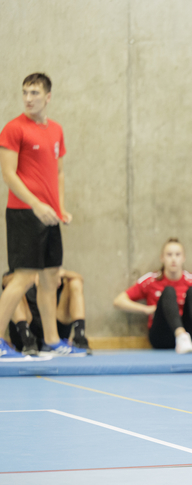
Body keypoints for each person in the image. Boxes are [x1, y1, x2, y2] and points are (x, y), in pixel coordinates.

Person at [0, 73, 86, 361]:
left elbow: (59, 172)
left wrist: (60, 208)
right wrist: (36, 204)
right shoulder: (13, 129)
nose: (28, 98)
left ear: (48, 97)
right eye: (25, 92)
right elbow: (9, 174)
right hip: (24, 214)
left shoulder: (57, 130)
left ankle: (51, 340)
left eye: (35, 93)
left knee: (51, 279)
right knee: (23, 279)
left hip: (50, 217)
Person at [114, 238, 192, 353]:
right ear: (162, 258)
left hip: (190, 336)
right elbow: (119, 301)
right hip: (162, 336)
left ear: (183, 258)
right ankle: (180, 335)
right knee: (168, 291)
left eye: (177, 255)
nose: (173, 259)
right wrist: (145, 309)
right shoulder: (151, 280)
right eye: (169, 255)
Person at [4, 268, 90, 355]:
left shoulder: (52, 269)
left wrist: (61, 274)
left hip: (55, 328)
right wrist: (31, 276)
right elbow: (5, 281)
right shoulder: (24, 267)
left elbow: (79, 278)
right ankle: (26, 337)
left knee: (75, 282)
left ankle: (80, 336)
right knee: (13, 287)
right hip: (28, 327)